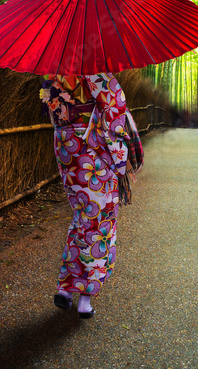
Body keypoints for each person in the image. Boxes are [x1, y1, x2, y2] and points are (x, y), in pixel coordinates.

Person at [39, 71, 143, 319]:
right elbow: (115, 109)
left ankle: (65, 288)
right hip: (92, 149)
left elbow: (52, 110)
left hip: (66, 146)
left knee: (81, 217)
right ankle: (85, 297)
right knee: (99, 221)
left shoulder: (52, 75)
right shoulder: (95, 73)